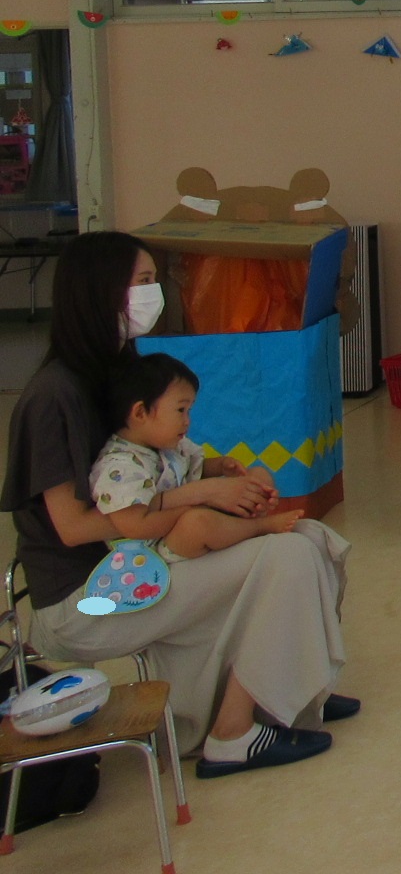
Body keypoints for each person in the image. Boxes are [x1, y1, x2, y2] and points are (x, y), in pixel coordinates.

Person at [0, 232, 352, 777]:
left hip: (138, 565)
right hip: (89, 600)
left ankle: (296, 692)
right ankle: (233, 735)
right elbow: (72, 529)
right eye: (142, 282)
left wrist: (217, 478)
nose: (155, 293)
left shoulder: (112, 369)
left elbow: (154, 466)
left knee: (309, 538)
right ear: (101, 292)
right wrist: (198, 499)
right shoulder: (54, 396)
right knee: (286, 557)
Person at [93, 352, 305, 560]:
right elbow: (136, 527)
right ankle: (258, 527)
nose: (187, 420)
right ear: (140, 413)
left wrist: (220, 466)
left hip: (197, 513)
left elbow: (193, 467)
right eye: (181, 410)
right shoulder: (118, 467)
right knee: (198, 523)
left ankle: (240, 524)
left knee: (258, 475)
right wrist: (188, 510)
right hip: (157, 551)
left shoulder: (168, 444)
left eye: (189, 411)